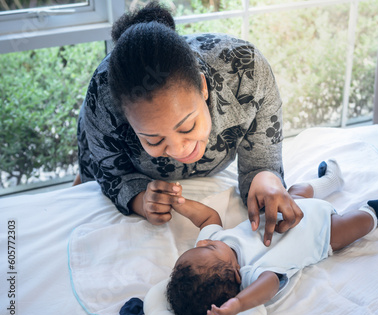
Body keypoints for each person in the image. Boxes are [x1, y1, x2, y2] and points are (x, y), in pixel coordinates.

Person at [74, 1, 302, 246]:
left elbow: (262, 162)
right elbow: (111, 174)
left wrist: (264, 177)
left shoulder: (247, 72)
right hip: (113, 154)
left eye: (187, 127)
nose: (179, 150)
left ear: (203, 87)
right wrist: (140, 200)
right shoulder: (101, 101)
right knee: (80, 192)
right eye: (154, 139)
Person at [165, 160, 378, 315]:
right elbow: (271, 283)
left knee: (296, 191)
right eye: (208, 248)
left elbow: (208, 218)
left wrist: (180, 204)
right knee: (351, 226)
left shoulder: (213, 242)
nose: (203, 241)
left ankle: (330, 181)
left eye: (199, 246)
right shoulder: (249, 273)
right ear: (235, 275)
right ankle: (373, 213)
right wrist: (238, 304)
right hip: (321, 233)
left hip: (288, 210)